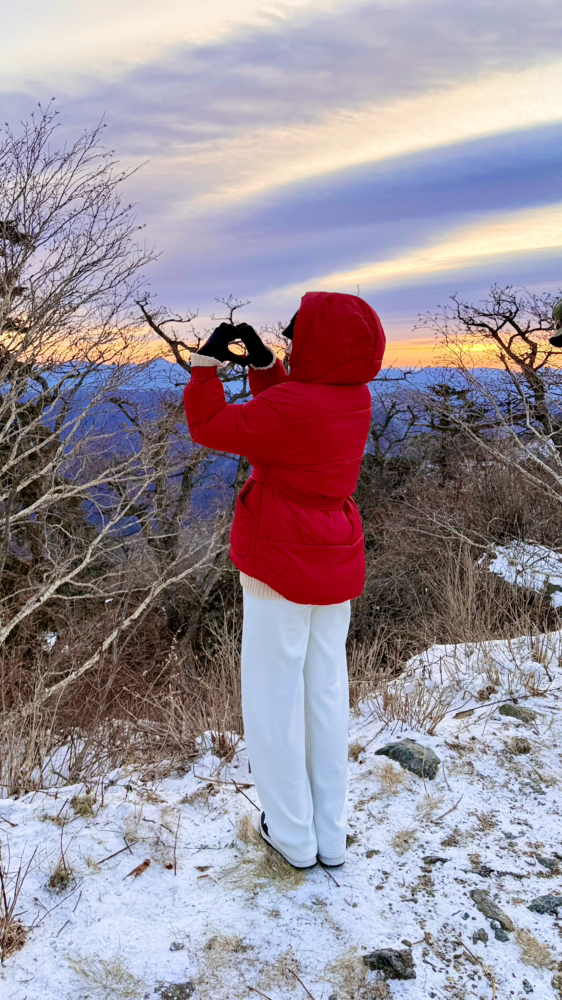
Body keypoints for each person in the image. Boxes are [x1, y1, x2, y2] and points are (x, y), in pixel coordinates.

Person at [184, 290, 386, 869]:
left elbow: (211, 425)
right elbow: (292, 414)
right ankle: (331, 835)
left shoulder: (297, 403)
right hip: (333, 558)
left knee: (273, 698)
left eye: (296, 337)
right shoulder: (355, 397)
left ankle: (293, 836)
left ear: (318, 344)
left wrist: (205, 367)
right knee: (326, 694)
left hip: (279, 561)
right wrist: (266, 365)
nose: (292, 345)